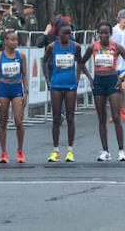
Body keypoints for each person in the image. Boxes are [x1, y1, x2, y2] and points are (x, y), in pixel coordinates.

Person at [82, 22, 125, 162]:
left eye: (106, 33)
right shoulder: (93, 47)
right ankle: (105, 151)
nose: (104, 35)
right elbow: (81, 63)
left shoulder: (116, 47)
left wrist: (122, 77)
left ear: (110, 34)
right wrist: (90, 77)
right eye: (101, 32)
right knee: (101, 118)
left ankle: (121, 151)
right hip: (99, 82)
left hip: (113, 81)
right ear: (98, 34)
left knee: (116, 116)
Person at [42, 24, 82, 163]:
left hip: (70, 84)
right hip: (56, 84)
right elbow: (44, 61)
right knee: (56, 118)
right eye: (65, 33)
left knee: (70, 117)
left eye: (69, 33)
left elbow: (80, 62)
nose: (67, 36)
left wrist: (77, 79)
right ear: (58, 34)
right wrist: (47, 79)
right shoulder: (52, 47)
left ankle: (70, 151)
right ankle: (56, 151)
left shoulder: (75, 46)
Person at [0, 30, 29, 164]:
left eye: (16, 40)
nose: (15, 42)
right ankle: (3, 152)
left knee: (19, 121)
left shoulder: (21, 56)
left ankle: (20, 150)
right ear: (5, 42)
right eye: (12, 40)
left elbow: (24, 74)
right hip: (3, 89)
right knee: (3, 121)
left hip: (17, 89)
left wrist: (26, 91)